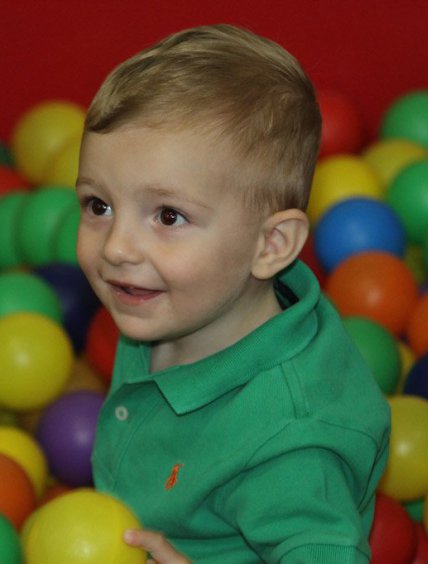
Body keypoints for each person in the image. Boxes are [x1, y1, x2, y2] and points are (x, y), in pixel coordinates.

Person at [75, 24, 391, 563]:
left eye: (168, 216)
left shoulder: (289, 444)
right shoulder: (169, 305)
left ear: (270, 245)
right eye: (98, 205)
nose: (117, 248)